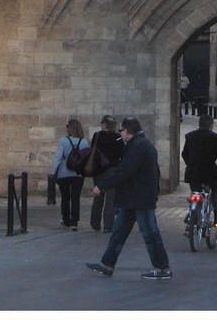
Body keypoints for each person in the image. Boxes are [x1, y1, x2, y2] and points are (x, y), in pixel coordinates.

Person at [86, 116, 172, 281]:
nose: (121, 134)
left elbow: (124, 171)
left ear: (127, 132)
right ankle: (107, 264)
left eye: (122, 131)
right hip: (134, 198)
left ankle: (162, 267)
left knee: (149, 233)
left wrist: (102, 185)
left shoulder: (137, 147)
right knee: (119, 232)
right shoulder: (143, 145)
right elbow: (156, 173)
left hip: (139, 198)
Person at [181, 113, 217, 224]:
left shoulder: (190, 136)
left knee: (196, 192)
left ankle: (192, 213)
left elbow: (184, 154)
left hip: (193, 172)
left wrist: (190, 163)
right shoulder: (216, 138)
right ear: (211, 125)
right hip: (209, 171)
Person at [86, 115, 125, 234]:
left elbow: (92, 150)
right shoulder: (118, 138)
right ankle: (108, 225)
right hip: (112, 169)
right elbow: (122, 154)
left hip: (98, 170)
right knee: (111, 198)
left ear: (103, 124)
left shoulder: (97, 136)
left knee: (98, 196)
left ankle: (95, 223)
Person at [52, 117, 87, 229]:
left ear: (70, 128)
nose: (66, 128)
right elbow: (85, 157)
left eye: (67, 126)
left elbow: (58, 157)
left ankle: (66, 219)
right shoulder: (84, 141)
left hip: (64, 173)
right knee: (76, 198)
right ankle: (74, 222)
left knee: (65, 197)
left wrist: (53, 171)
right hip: (78, 173)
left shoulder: (63, 140)